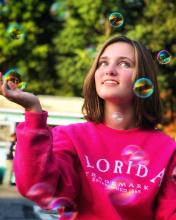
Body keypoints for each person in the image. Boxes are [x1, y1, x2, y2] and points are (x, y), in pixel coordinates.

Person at [0, 35, 176, 220]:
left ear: (143, 78)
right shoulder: (70, 137)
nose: (109, 70)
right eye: (103, 63)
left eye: (124, 63)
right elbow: (36, 186)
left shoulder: (168, 150)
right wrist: (33, 111)